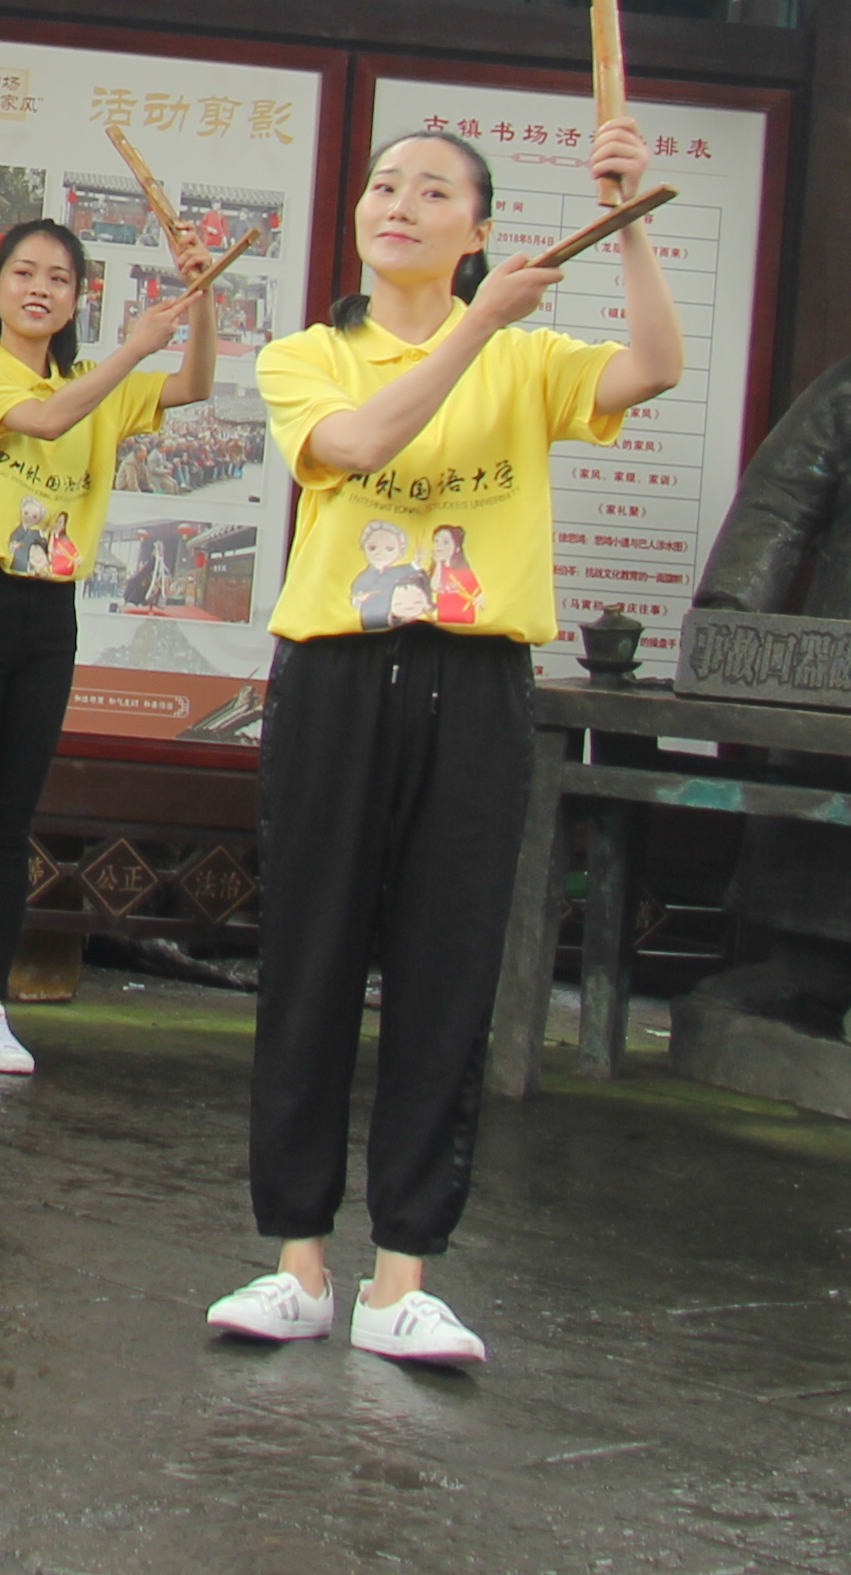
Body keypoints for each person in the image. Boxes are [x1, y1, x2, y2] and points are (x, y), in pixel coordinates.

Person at [209, 115, 678, 1372]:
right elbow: (355, 448)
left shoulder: (527, 364)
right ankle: (296, 1261)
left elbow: (656, 365)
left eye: (432, 190)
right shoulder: (309, 354)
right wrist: (478, 323)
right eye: (381, 185)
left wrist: (627, 214)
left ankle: (403, 1276)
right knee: (309, 957)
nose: (396, 203)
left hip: (475, 684)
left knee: (445, 969)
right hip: (336, 676)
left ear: (477, 229)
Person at [0, 219, 206, 1076]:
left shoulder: (93, 382)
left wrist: (202, 297)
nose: (41, 288)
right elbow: (44, 418)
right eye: (24, 274)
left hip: (50, 618)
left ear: (77, 300)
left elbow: (195, 383)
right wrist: (130, 351)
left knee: (12, 825)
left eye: (61, 279)